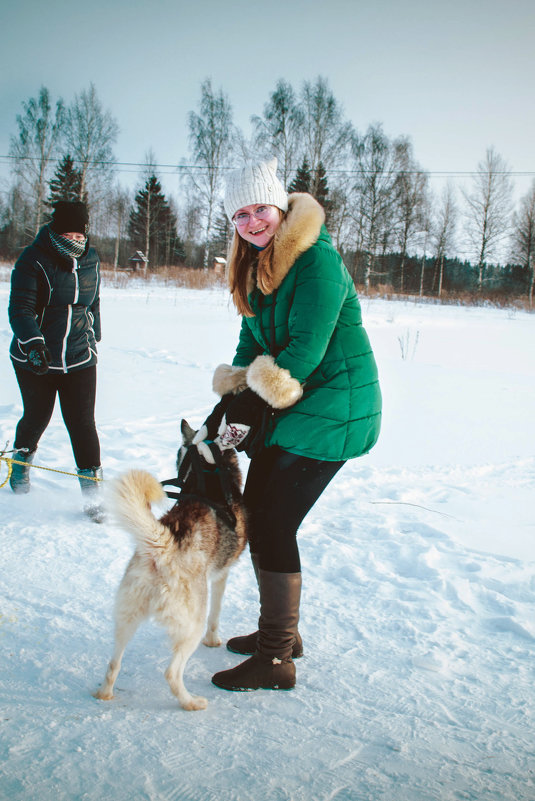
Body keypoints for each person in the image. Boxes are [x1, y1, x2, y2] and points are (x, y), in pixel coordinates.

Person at [193, 158, 382, 692]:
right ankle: (281, 633)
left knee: (272, 522)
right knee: (259, 514)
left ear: (279, 207)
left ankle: (276, 659)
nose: (252, 222)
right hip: (297, 404)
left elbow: (306, 348)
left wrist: (257, 401)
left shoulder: (315, 259)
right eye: (240, 215)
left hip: (336, 407)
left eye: (260, 209)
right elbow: (253, 342)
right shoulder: (255, 264)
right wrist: (231, 398)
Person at [8, 200, 104, 521]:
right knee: (37, 416)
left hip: (79, 356)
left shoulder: (91, 259)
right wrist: (33, 343)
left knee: (82, 423)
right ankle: (20, 467)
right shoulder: (33, 259)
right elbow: (20, 308)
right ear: (55, 230)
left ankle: (93, 497)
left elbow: (93, 302)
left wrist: (95, 331)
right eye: (69, 233)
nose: (75, 240)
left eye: (80, 233)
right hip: (37, 357)